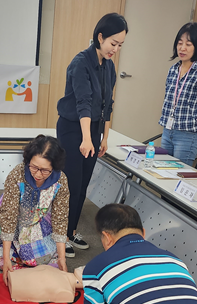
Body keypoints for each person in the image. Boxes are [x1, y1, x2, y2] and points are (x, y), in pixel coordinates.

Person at [56, 13, 127, 258]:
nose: (115, 49)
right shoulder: (80, 63)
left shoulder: (108, 67)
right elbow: (83, 104)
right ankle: (60, 236)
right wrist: (86, 138)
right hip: (73, 129)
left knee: (83, 186)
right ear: (100, 37)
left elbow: (107, 105)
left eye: (120, 45)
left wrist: (103, 137)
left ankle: (71, 230)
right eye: (113, 43)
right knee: (71, 185)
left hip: (93, 130)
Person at [0, 135, 69, 285]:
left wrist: (62, 258)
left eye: (45, 170)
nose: (38, 174)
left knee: (46, 261)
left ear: (55, 167)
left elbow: (60, 218)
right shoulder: (17, 174)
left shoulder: (61, 180)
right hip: (14, 217)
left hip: (39, 217)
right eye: (34, 167)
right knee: (4, 259)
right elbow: (9, 215)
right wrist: (6, 258)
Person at [158, 22, 197, 166]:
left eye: (188, 44)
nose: (182, 48)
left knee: (179, 176)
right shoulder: (173, 69)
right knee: (161, 173)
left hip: (187, 135)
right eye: (180, 43)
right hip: (168, 130)